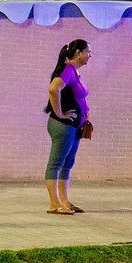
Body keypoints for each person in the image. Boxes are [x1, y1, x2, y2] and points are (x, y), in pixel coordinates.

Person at [44, 39, 92, 215]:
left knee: (67, 164)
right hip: (64, 126)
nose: (90, 55)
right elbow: (53, 89)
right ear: (78, 53)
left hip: (75, 126)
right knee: (56, 163)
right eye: (88, 51)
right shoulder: (67, 69)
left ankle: (64, 201)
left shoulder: (75, 72)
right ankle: (54, 204)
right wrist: (59, 113)